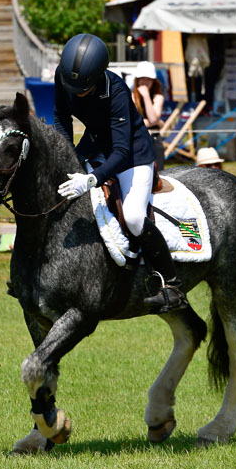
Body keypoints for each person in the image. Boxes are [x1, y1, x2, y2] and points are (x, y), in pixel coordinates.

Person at [54, 32, 189, 314]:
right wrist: (66, 158)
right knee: (55, 192)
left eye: (83, 89)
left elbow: (121, 151)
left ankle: (173, 286)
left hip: (132, 153)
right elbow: (61, 117)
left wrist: (91, 179)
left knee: (134, 216)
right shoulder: (65, 75)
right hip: (95, 144)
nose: (76, 92)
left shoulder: (115, 90)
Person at [131, 60, 165, 171]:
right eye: (142, 78)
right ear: (137, 79)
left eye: (148, 78)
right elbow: (131, 122)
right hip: (136, 140)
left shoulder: (158, 97)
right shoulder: (131, 97)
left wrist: (146, 96)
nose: (145, 81)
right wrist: (158, 123)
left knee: (159, 174)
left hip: (154, 140)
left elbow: (153, 118)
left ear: (153, 80)